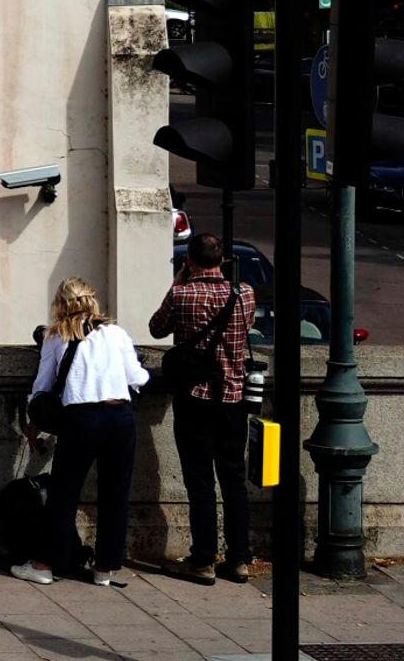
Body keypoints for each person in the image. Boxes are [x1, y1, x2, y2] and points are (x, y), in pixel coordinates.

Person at [13, 278, 150, 586]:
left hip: (81, 419)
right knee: (116, 493)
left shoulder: (56, 336)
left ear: (60, 304)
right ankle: (105, 568)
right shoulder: (116, 333)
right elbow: (137, 377)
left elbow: (42, 387)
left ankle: (47, 564)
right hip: (120, 417)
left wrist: (35, 418)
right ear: (92, 301)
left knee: (64, 493)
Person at [150, 234, 256, 584]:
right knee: (234, 479)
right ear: (222, 259)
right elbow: (246, 330)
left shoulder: (182, 295)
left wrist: (179, 281)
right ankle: (240, 558)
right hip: (233, 397)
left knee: (200, 481)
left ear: (190, 261)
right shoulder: (245, 294)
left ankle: (204, 559)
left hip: (195, 397)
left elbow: (157, 327)